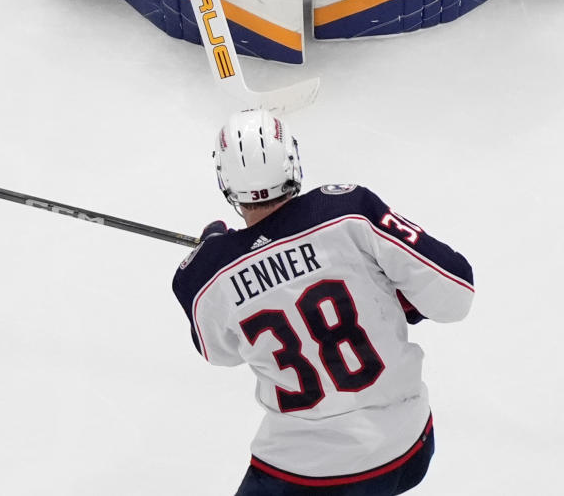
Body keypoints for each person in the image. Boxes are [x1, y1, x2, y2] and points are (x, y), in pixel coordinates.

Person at [172, 108, 474, 495]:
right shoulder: (351, 213)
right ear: (292, 161)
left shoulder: (204, 277)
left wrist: (219, 253)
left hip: (302, 477)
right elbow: (456, 294)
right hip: (405, 450)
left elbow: (220, 353)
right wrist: (391, 293)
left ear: (224, 182)